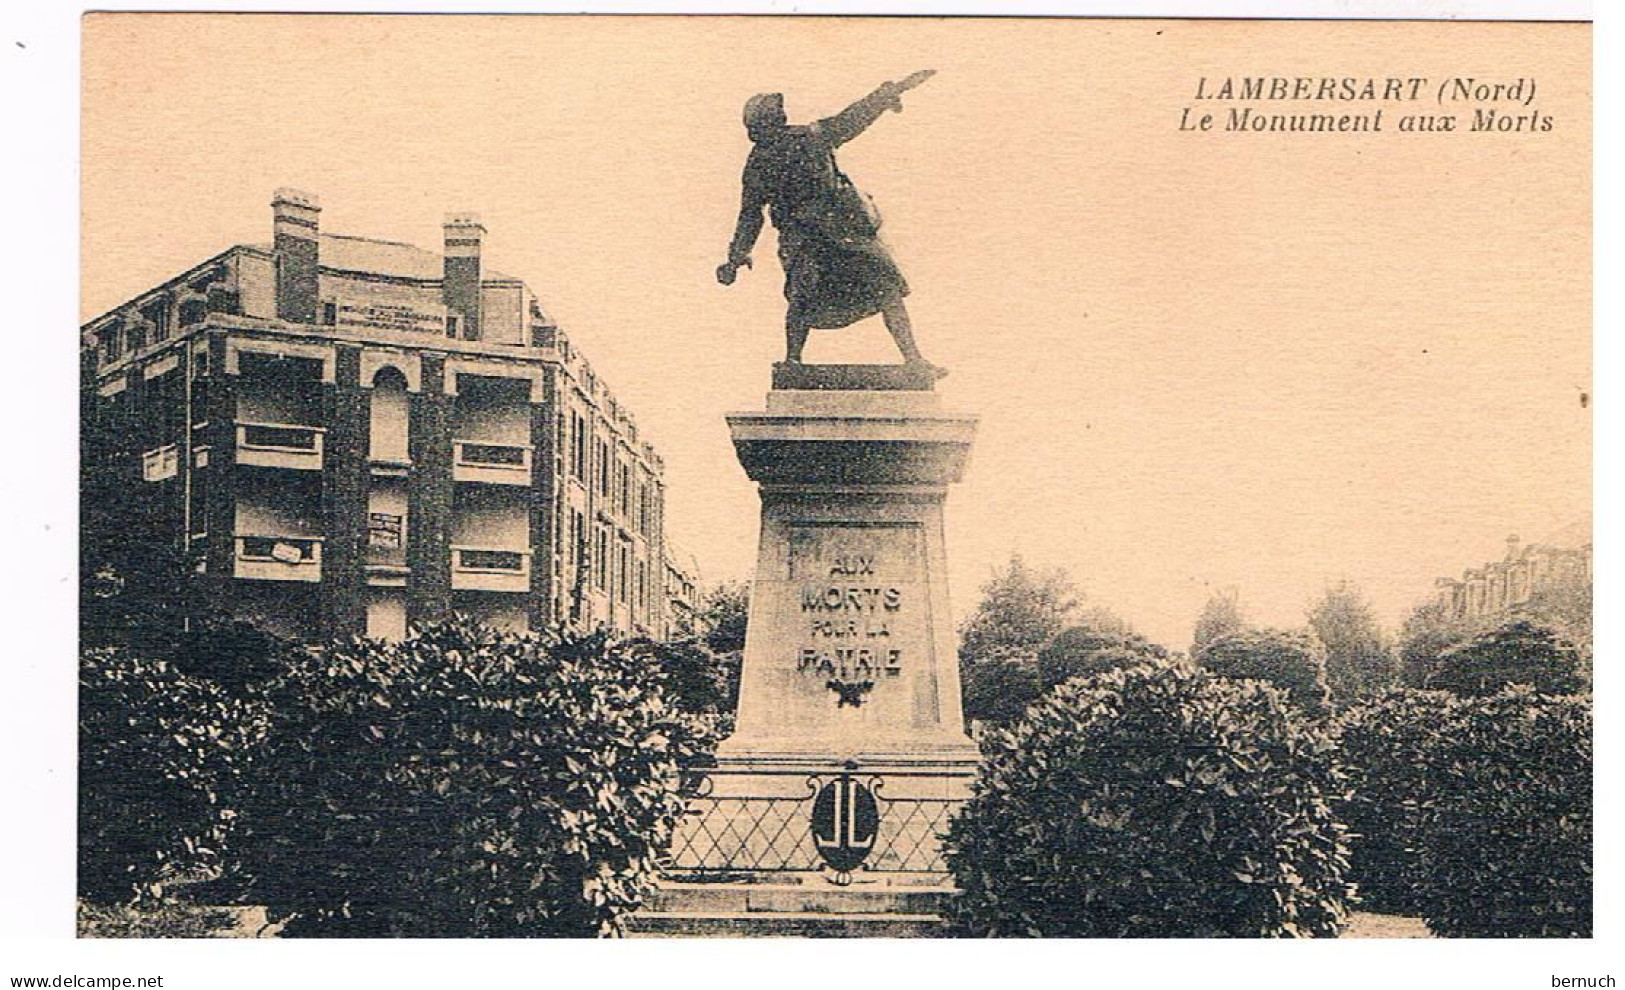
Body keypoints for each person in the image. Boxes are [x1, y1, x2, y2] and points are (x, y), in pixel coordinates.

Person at [717, 70, 945, 375]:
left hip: (845, 230)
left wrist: (887, 94)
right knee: (802, 293)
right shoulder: (760, 161)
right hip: (804, 236)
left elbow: (852, 119)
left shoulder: (811, 136)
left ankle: (914, 361)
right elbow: (750, 213)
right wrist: (735, 256)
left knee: (886, 286)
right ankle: (793, 361)